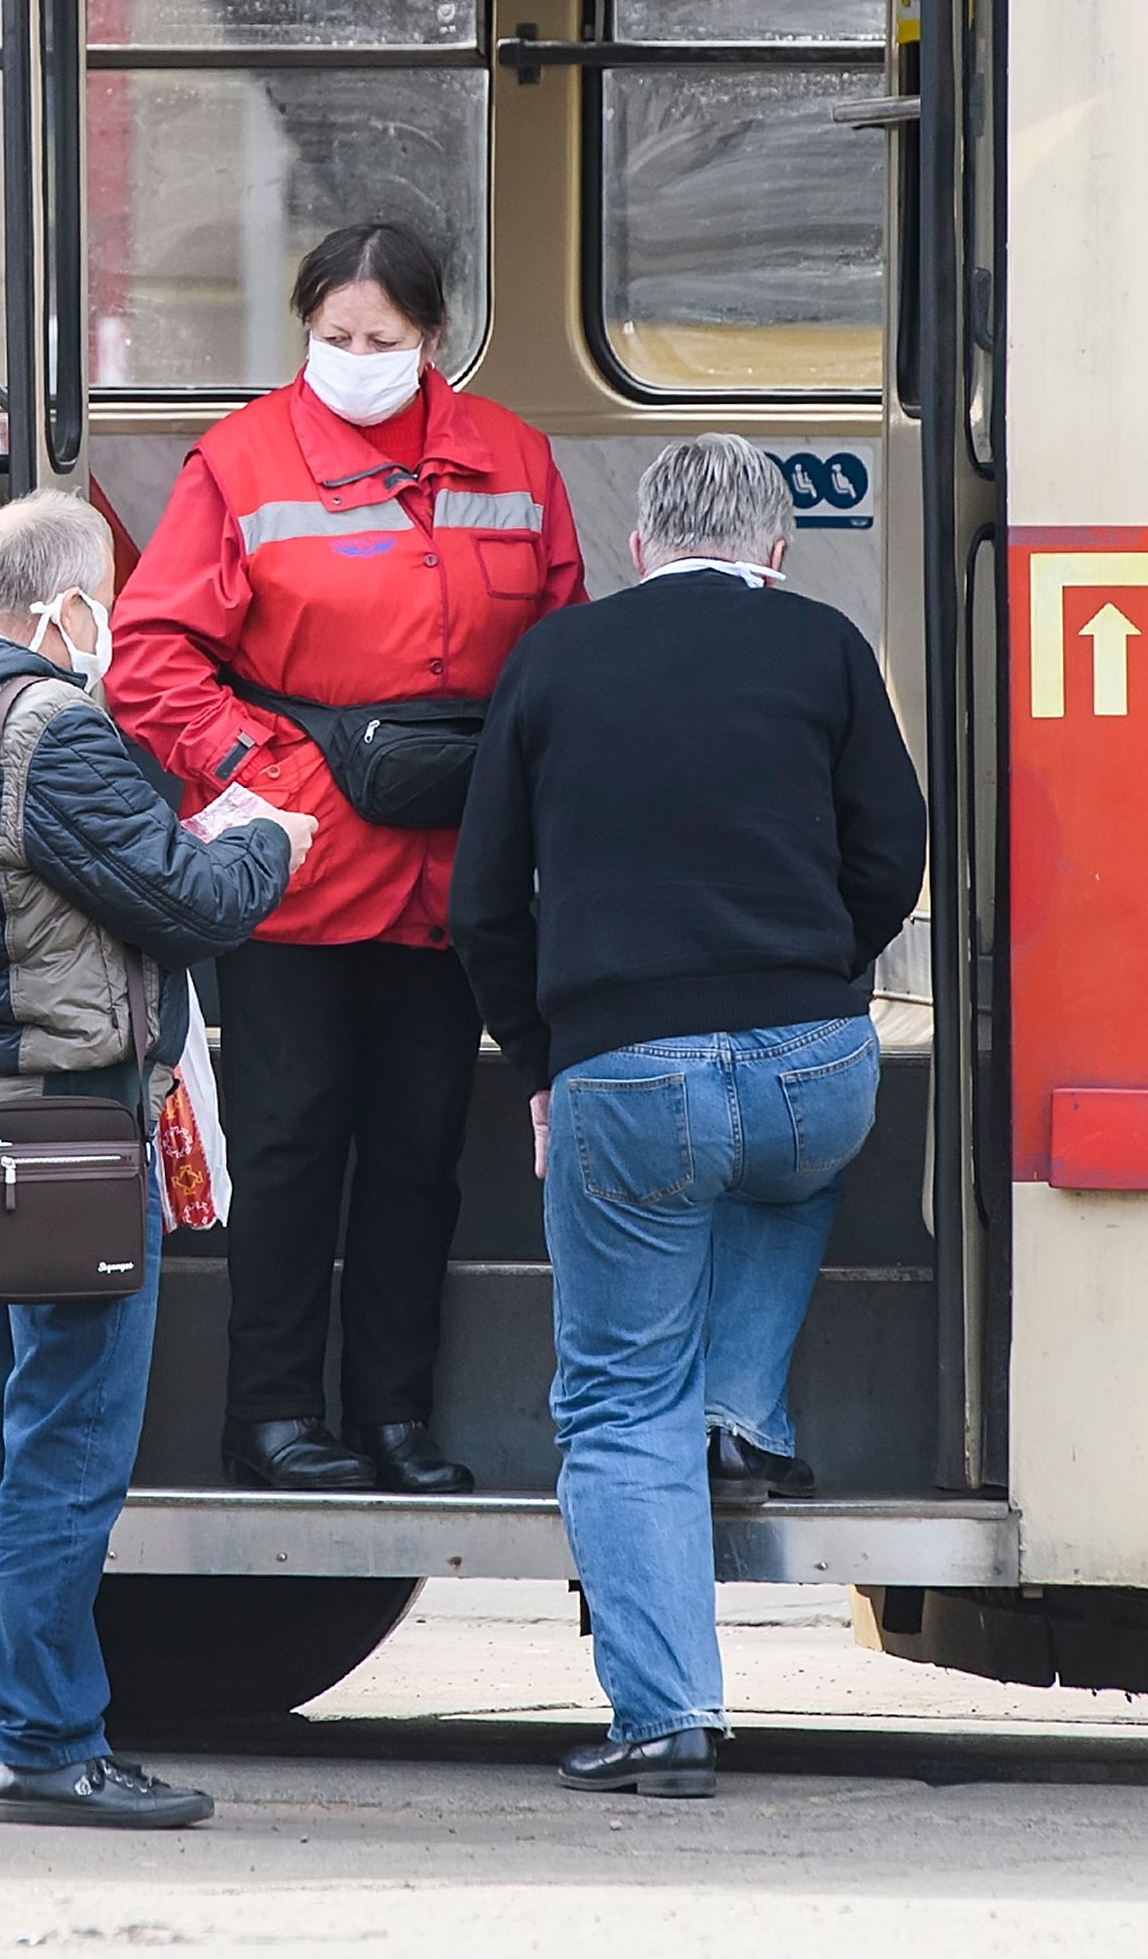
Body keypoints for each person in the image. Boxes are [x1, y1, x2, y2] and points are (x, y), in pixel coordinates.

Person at [448, 433, 927, 1798]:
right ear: (775, 551)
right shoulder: (824, 645)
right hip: (813, 1068)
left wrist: (543, 1062)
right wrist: (819, 973)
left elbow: (483, 903)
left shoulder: (554, 657)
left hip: (628, 1068)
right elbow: (892, 849)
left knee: (616, 1406)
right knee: (787, 1168)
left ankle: (666, 1716)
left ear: (639, 547)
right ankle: (742, 1413)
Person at [0, 491, 317, 1829]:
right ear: (65, 609)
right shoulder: (52, 730)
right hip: (70, 1135)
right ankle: (51, 1745)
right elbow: (193, 901)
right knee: (67, 1440)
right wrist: (266, 840)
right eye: (104, 604)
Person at [109, 222, 587, 1496]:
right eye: (334, 336)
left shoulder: (516, 460)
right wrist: (260, 772)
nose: (356, 357)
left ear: (433, 338)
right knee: (291, 1139)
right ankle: (269, 1416)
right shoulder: (241, 461)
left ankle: (393, 1416)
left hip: (452, 872)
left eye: (382, 338)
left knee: (422, 1150)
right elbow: (151, 657)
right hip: (297, 872)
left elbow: (561, 648)